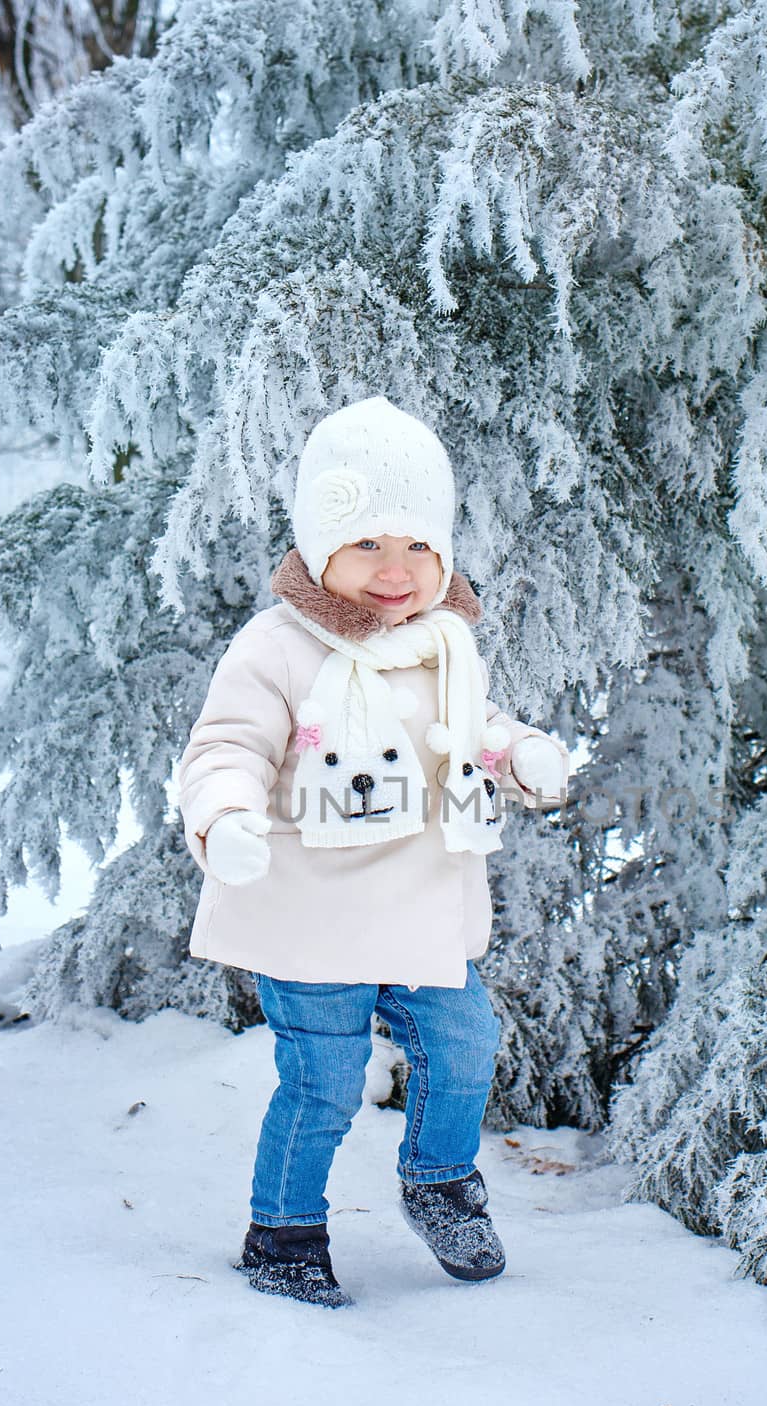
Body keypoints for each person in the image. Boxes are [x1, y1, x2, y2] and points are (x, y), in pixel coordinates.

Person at [178, 395, 570, 1308]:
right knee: (322, 1085)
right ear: (320, 548)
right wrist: (224, 816)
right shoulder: (277, 646)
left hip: (420, 905)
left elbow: (467, 731)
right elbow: (224, 749)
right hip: (309, 914)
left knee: (467, 1044)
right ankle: (282, 1234)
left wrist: (516, 754)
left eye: (418, 548)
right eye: (367, 546)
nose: (395, 571)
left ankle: (439, 1182)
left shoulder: (445, 644)